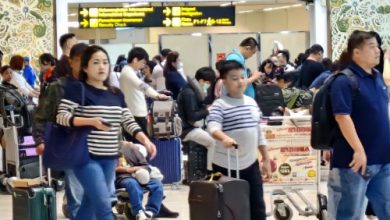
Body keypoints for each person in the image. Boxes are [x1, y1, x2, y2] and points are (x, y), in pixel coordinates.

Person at [56, 45, 157, 220]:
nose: (102, 67)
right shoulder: (77, 90)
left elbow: (127, 120)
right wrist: (90, 121)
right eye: (96, 62)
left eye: (105, 62)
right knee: (103, 202)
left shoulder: (115, 93)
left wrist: (145, 140)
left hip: (109, 158)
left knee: (89, 202)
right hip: (85, 157)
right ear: (85, 67)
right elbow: (62, 117)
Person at [328, 30, 390, 220]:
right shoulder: (344, 80)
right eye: (371, 47)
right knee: (348, 214)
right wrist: (358, 150)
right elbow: (342, 117)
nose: (377, 51)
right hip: (353, 162)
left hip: (382, 159)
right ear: (356, 53)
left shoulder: (377, 77)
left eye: (377, 46)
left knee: (387, 209)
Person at [207, 60, 271, 220]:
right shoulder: (219, 105)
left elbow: (258, 132)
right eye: (234, 78)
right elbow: (213, 127)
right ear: (223, 81)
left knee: (257, 207)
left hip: (250, 164)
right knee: (227, 209)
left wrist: (266, 158)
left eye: (242, 77)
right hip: (224, 166)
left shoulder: (251, 102)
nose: (240, 81)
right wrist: (224, 138)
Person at [120, 47, 168, 141]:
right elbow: (142, 86)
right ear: (135, 60)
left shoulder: (130, 71)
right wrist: (157, 95)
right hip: (135, 115)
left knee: (142, 145)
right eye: (142, 63)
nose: (142, 66)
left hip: (137, 113)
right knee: (142, 145)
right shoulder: (127, 73)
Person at [177, 67, 216, 171]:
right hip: (186, 130)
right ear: (201, 81)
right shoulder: (189, 93)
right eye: (207, 83)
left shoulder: (189, 89)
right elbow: (192, 116)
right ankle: (209, 170)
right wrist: (208, 110)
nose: (208, 86)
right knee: (212, 143)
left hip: (187, 127)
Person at [116, 141, 164, 220]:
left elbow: (146, 166)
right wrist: (127, 170)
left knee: (157, 184)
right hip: (122, 177)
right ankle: (139, 212)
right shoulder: (109, 150)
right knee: (132, 184)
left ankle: (150, 212)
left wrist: (135, 169)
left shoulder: (133, 149)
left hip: (139, 175)